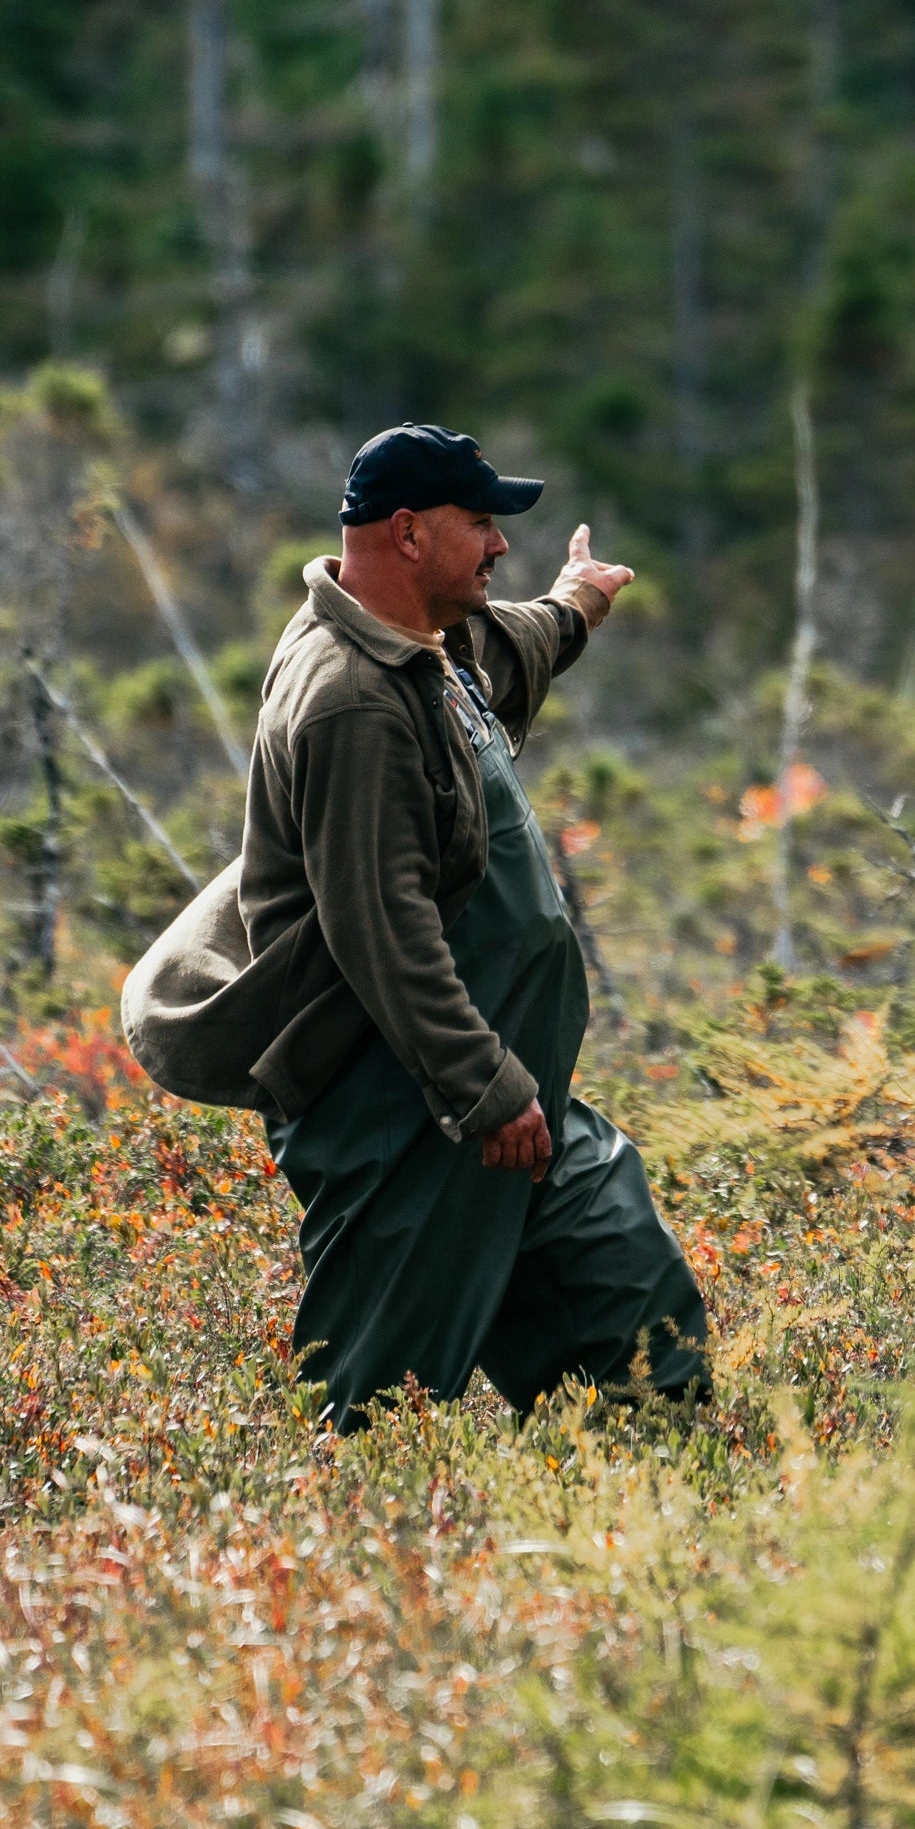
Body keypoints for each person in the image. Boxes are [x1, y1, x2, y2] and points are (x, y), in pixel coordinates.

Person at [123, 423, 709, 1427]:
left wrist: (578, 604)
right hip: (408, 1109)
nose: (499, 545)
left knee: (634, 1315)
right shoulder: (351, 700)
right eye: (479, 523)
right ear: (405, 532)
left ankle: (629, 1548)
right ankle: (341, 1567)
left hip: (502, 1097)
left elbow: (506, 646)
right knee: (381, 1407)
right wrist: (480, 1087)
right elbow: (379, 928)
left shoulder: (425, 647)